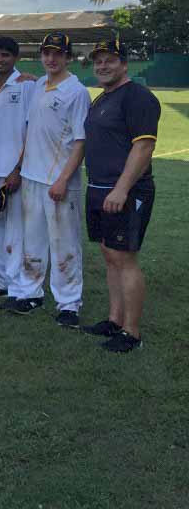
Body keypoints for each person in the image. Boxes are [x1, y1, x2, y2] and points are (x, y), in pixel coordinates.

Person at [6, 32, 91, 326]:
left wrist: (63, 179)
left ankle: (69, 304)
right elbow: (31, 131)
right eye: (46, 53)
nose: (51, 59)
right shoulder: (40, 84)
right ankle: (30, 293)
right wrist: (20, 168)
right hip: (31, 176)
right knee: (33, 241)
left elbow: (80, 141)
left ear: (68, 57)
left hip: (59, 181)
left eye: (58, 53)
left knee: (64, 244)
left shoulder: (77, 92)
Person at [81, 38, 160, 352]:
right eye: (98, 61)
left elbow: (144, 147)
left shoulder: (137, 97)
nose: (102, 66)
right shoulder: (102, 98)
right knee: (109, 254)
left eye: (110, 60)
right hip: (100, 188)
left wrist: (122, 189)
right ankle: (114, 320)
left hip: (126, 191)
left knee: (125, 258)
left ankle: (132, 332)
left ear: (124, 64)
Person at [0, 36, 33, 301]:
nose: (0, 60)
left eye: (5, 55)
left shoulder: (26, 85)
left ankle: (18, 283)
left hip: (14, 171)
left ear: (16, 57)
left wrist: (18, 169)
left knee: (15, 230)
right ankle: (2, 280)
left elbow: (31, 130)